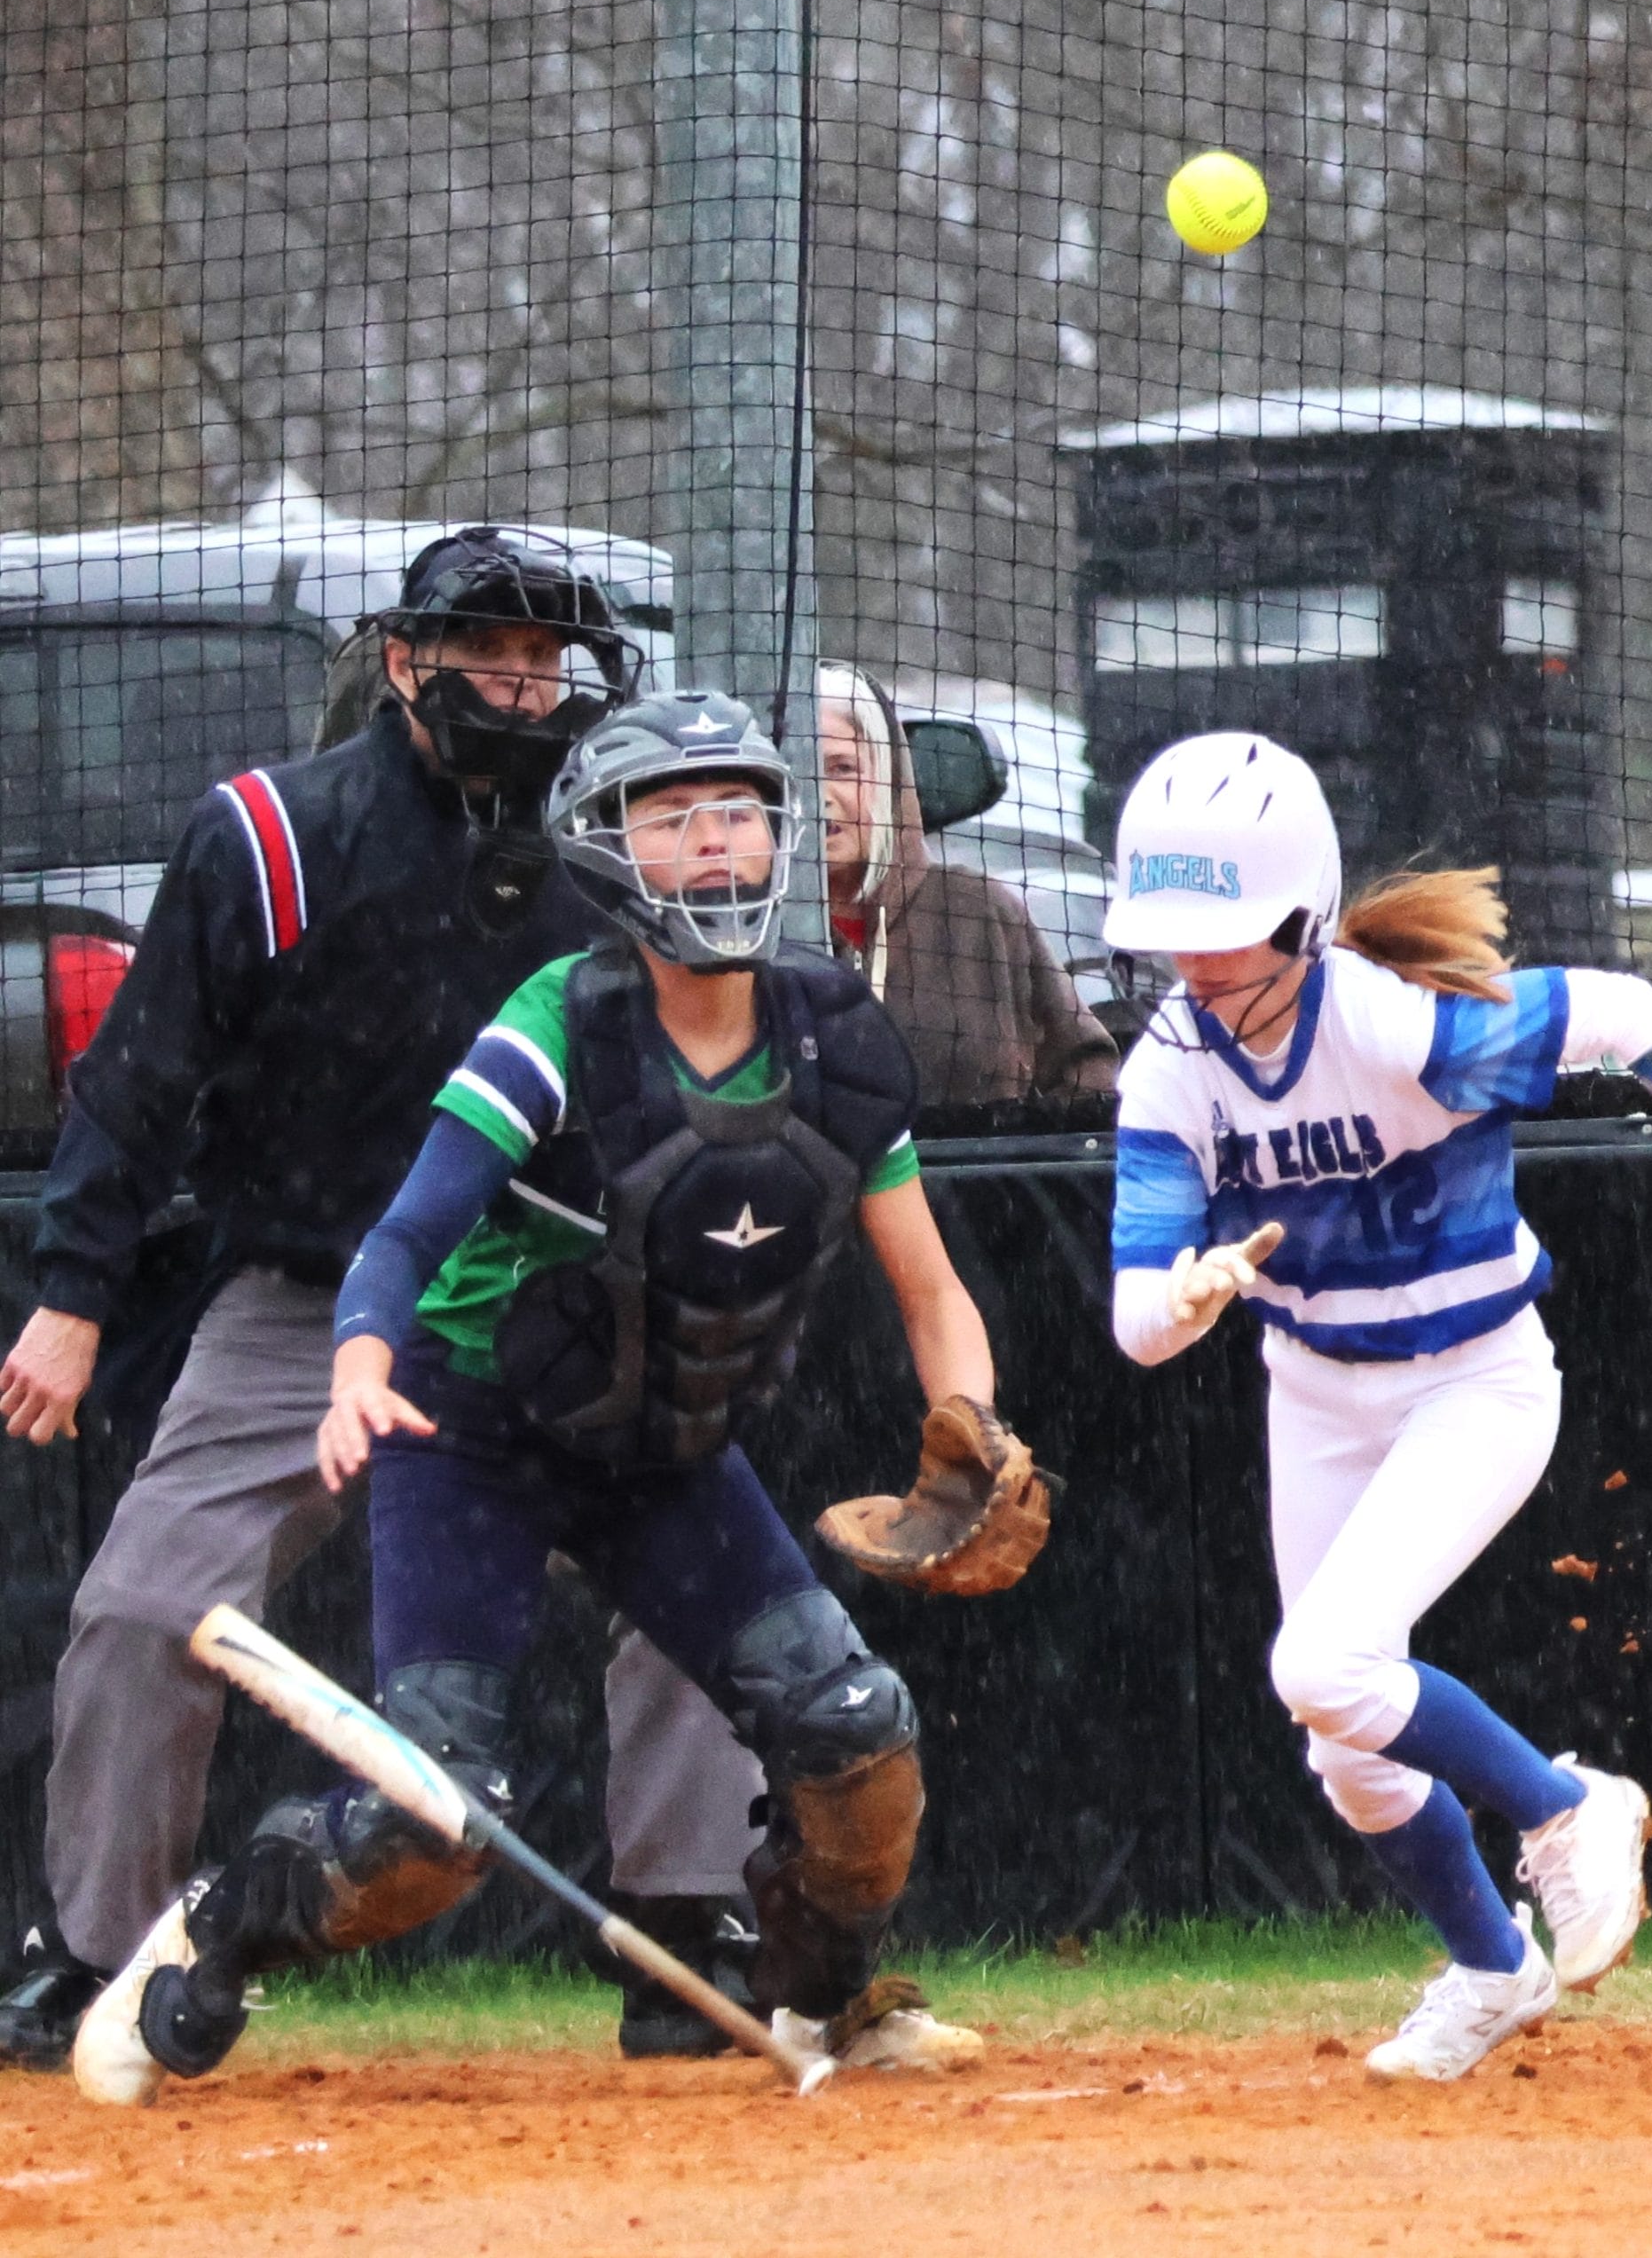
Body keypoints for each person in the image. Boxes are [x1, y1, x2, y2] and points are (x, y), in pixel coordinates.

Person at [70, 690, 1012, 2105]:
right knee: (431, 1822)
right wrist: (358, 1371)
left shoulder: (831, 1032)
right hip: (477, 1437)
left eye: (741, 812)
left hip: (667, 1449)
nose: (717, 844)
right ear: (606, 846)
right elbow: (401, 1240)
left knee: (856, 1736)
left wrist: (971, 1435)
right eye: (674, 816)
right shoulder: (560, 1024)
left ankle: (822, 1999)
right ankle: (219, 1932)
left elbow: (932, 1292)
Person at [0, 530, 767, 2073]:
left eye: (551, 656)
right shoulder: (274, 837)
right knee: (142, 1611)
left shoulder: (601, 848)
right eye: (491, 648)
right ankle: (96, 1951)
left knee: (707, 1581)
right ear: (406, 664)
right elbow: (137, 1079)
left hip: (541, 1300)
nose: (526, 682)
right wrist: (72, 1292)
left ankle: (689, 1934)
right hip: (300, 1304)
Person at [1103, 730, 1652, 2084]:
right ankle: (1490, 1968)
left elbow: (1633, 1016)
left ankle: (1568, 1806)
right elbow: (1135, 1330)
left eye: (1226, 932)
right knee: (1342, 1747)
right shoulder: (1172, 1070)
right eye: (1173, 934)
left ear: (1301, 915)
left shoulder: (1397, 1025)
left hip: (1475, 1381)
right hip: (1318, 1393)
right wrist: (1189, 1295)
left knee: (1323, 1667)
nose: (1197, 963)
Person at [816, 663, 1117, 1105]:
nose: (820, 793)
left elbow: (1087, 1077)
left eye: (842, 768)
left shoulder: (978, 912)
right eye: (799, 770)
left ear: (889, 778)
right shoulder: (748, 936)